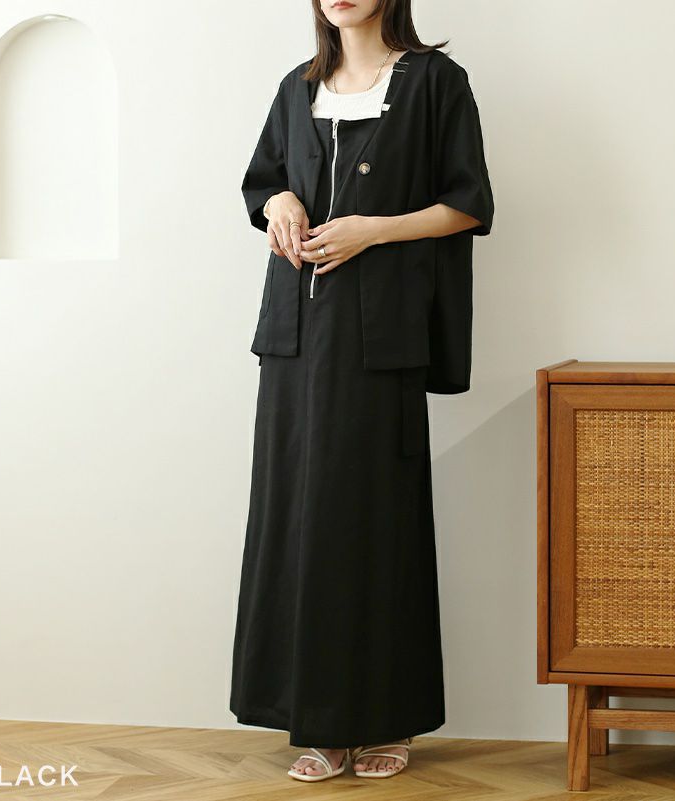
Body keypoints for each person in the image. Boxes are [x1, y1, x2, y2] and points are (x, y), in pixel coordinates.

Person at [230, 0, 494, 783]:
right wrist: (279, 202)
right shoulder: (297, 86)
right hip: (294, 339)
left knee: (375, 522)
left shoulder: (436, 82)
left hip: (379, 339)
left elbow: (468, 202)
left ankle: (385, 718)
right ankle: (317, 722)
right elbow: (264, 182)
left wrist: (371, 228)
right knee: (297, 522)